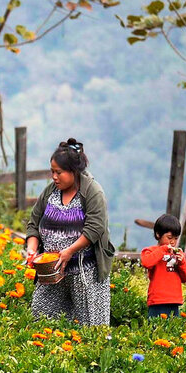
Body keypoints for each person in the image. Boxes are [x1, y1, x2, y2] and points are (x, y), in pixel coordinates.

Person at [25, 138, 115, 326]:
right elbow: (33, 223)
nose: (54, 177)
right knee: (41, 321)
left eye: (59, 172)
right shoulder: (50, 192)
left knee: (91, 329)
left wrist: (70, 251)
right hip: (52, 272)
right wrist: (32, 250)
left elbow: (95, 228)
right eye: (52, 172)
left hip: (85, 272)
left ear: (74, 172)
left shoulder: (92, 192)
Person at [140, 214, 186, 318]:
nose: (173, 242)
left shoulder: (178, 254)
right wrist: (163, 249)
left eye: (176, 238)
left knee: (172, 331)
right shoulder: (151, 251)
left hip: (174, 300)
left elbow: (185, 278)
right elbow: (146, 262)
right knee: (156, 330)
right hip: (157, 300)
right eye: (169, 237)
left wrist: (182, 262)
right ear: (158, 234)